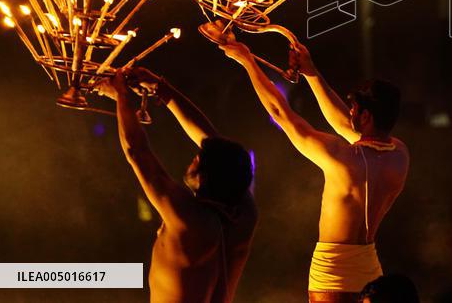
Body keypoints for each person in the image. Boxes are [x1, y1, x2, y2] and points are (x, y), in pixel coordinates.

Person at [205, 22, 409, 303]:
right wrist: (311, 72)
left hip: (333, 268)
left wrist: (246, 59)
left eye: (354, 110)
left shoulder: (344, 158)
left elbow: (281, 113)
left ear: (365, 116)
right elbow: (343, 123)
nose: (349, 114)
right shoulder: (398, 153)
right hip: (371, 266)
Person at [95, 67, 256, 303]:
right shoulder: (244, 214)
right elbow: (216, 146)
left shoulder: (189, 219)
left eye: (201, 157)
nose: (196, 155)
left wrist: (121, 95)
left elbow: (137, 151)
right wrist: (163, 89)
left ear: (207, 174)